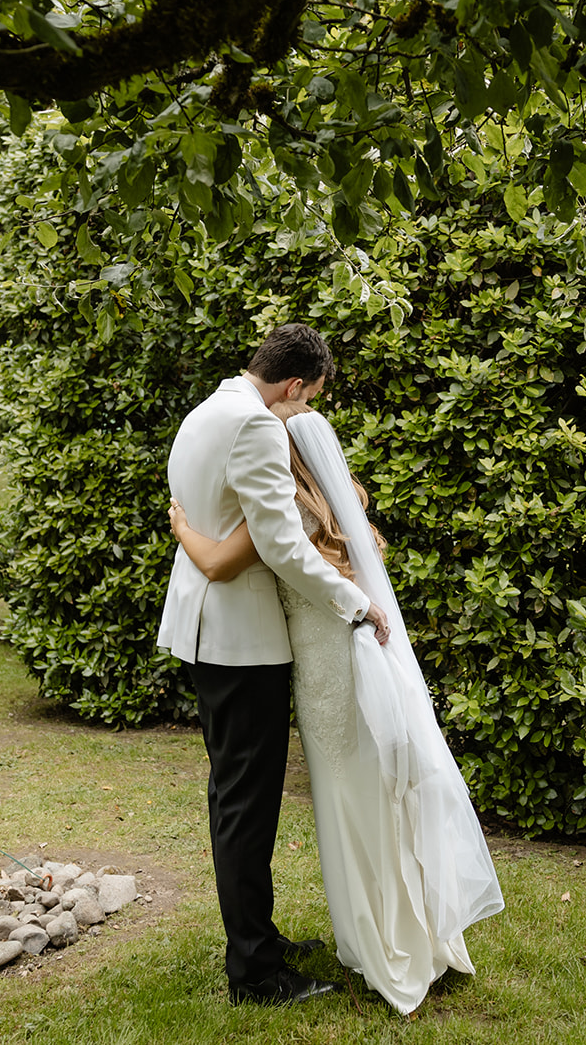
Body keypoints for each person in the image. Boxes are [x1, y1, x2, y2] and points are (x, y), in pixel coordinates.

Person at [169, 399, 505, 1015]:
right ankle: (287, 948)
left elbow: (219, 561)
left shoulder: (281, 508)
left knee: (338, 806)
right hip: (331, 667)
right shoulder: (321, 503)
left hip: (323, 671)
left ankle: (295, 949)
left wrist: (183, 528)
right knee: (360, 803)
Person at [156, 322, 391, 1006]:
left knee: (239, 798)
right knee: (245, 804)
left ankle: (259, 938)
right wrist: (355, 603)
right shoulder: (257, 425)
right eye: (308, 400)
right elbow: (282, 544)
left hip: (208, 629)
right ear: (295, 384)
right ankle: (255, 973)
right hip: (240, 638)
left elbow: (210, 518)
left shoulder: (208, 408)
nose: (303, 416)